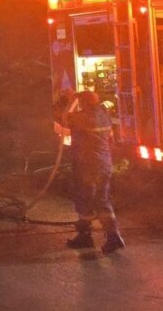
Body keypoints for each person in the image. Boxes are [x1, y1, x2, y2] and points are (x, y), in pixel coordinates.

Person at [55, 89, 125, 254]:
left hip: (87, 166)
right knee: (102, 199)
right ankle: (110, 236)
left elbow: (63, 117)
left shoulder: (83, 117)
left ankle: (90, 236)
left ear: (84, 103)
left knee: (84, 199)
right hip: (104, 164)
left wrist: (71, 100)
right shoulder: (104, 116)